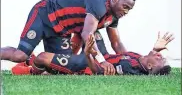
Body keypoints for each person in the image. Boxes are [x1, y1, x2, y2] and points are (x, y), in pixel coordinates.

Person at [1, 0, 136, 75]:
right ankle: (26, 60)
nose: (126, 11)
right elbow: (86, 33)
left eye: (129, 9)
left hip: (61, 31)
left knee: (59, 69)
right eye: (125, 6)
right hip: (45, 14)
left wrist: (131, 59)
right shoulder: (99, 4)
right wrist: (102, 61)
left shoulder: (113, 16)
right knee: (19, 55)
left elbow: (116, 43)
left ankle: (29, 65)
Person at [13, 32, 174, 76]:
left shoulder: (128, 68)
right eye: (162, 55)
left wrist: (89, 53)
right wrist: (156, 49)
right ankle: (65, 57)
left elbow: (97, 71)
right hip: (102, 55)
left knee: (42, 57)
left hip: (86, 64)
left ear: (150, 66)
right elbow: (121, 54)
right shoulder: (140, 59)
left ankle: (33, 70)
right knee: (91, 29)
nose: (161, 55)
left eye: (160, 59)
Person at [11, 31, 109, 75]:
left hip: (82, 64)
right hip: (84, 62)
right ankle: (31, 63)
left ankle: (30, 62)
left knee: (45, 65)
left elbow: (14, 70)